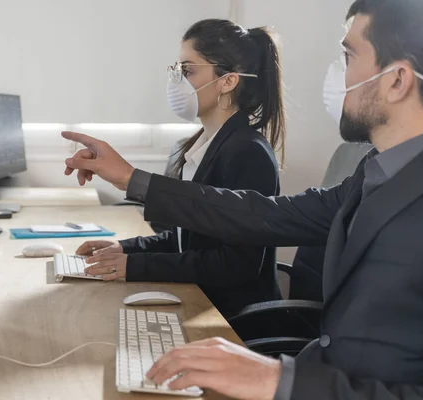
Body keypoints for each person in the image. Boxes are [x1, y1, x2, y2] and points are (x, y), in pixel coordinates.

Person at [61, 0, 423, 398]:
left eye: (348, 55)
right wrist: (132, 179)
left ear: (398, 80)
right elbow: (257, 213)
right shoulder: (376, 172)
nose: (336, 72)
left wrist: (276, 380)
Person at [75, 19, 285, 318]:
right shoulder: (204, 145)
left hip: (231, 322)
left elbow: (236, 266)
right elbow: (186, 238)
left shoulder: (248, 153)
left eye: (187, 71)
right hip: (202, 301)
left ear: (227, 81)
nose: (178, 82)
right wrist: (125, 249)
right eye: (177, 71)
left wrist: (134, 267)